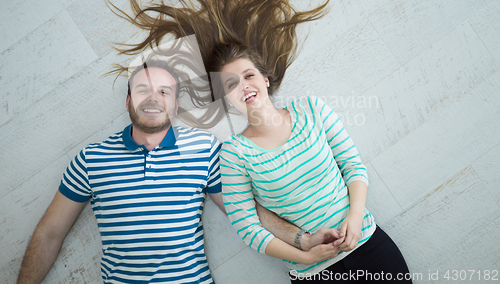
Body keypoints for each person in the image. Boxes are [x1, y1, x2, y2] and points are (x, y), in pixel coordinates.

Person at [112, 0, 413, 283]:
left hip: (370, 248)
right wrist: (305, 251)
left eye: (249, 75)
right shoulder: (236, 154)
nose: (243, 86)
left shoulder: (311, 110)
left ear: (265, 80)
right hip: (312, 273)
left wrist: (355, 219)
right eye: (230, 85)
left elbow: (353, 166)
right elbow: (247, 227)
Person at [17, 58, 338, 284]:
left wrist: (302, 239)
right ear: (128, 100)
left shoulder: (203, 148)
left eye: (164, 92)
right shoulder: (91, 159)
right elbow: (49, 233)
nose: (153, 99)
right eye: (143, 90)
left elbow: (244, 211)